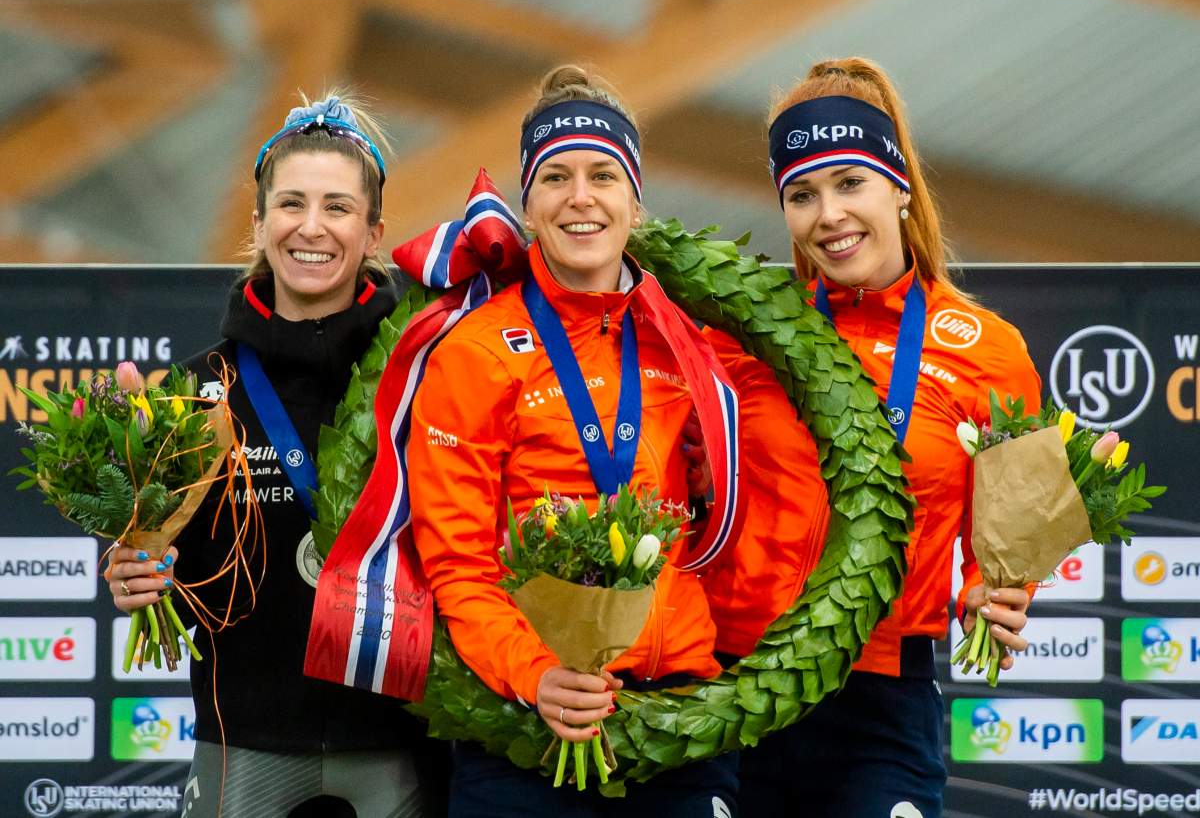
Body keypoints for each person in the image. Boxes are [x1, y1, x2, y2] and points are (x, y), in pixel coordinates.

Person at [704, 57, 1039, 818]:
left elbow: (1014, 543)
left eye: (850, 183)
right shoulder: (741, 334)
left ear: (899, 185)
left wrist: (1003, 593)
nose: (828, 215)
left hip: (886, 697)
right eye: (802, 194)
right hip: (741, 688)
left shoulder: (991, 351)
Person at [406, 65, 741, 817]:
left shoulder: (687, 340)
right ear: (528, 203)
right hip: (524, 719)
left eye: (603, 174)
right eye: (555, 177)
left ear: (635, 199)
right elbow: (456, 562)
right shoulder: (476, 350)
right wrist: (534, 675)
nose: (580, 197)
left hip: (679, 713)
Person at [104, 92, 446, 818]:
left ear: (374, 231)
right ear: (259, 224)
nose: (311, 227)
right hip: (244, 740)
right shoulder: (197, 391)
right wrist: (138, 565)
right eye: (291, 204)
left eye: (338, 207)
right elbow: (164, 552)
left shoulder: (423, 378)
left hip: (399, 740)